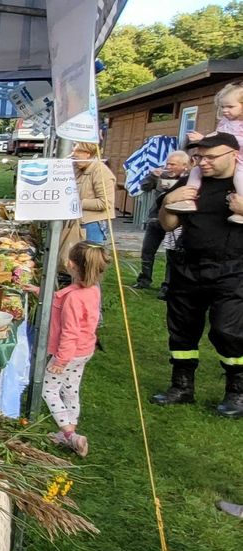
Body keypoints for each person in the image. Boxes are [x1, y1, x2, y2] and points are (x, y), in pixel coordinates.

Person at [154, 131, 243, 417]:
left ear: (233, 155)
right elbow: (167, 225)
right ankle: (181, 386)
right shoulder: (191, 181)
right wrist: (170, 202)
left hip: (233, 269)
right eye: (199, 157)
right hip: (187, 266)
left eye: (211, 157)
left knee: (227, 330)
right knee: (181, 329)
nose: (203, 163)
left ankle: (237, 392)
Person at [42, 241, 109, 458]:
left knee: (49, 390)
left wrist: (60, 360)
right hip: (84, 350)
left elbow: (69, 332)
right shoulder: (91, 290)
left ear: (70, 264)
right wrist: (38, 291)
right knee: (70, 390)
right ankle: (71, 428)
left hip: (68, 354)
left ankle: (70, 435)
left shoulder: (72, 298)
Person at [167, 82, 243, 223]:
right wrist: (205, 138)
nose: (225, 110)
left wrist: (206, 139)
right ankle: (189, 198)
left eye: (230, 107)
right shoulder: (224, 122)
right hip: (228, 157)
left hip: (239, 158)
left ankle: (240, 206)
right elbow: (218, 135)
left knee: (240, 177)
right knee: (196, 170)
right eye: (222, 107)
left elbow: (232, 141)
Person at [131, 151, 190, 296]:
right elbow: (144, 187)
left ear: (184, 166)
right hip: (156, 219)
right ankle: (144, 280)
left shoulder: (189, 180)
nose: (168, 167)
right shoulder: (160, 176)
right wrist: (152, 176)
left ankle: (167, 285)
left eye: (173, 164)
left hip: (176, 222)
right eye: (167, 163)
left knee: (172, 254)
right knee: (147, 251)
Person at [72, 141, 117, 245]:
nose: (74, 155)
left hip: (92, 225)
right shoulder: (78, 168)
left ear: (88, 154)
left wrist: (77, 203)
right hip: (77, 223)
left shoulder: (101, 171)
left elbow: (105, 202)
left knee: (89, 259)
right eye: (73, 151)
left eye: (78, 152)